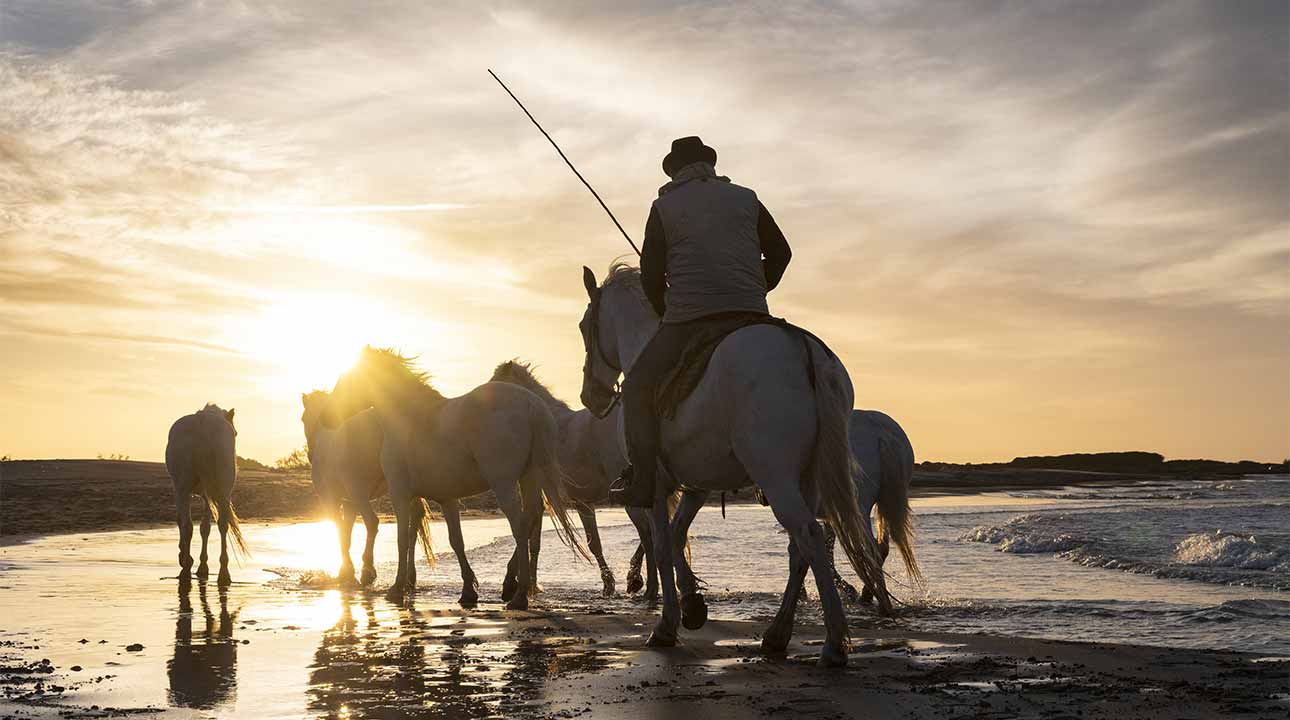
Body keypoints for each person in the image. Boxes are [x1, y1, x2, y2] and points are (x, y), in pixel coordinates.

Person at [608, 136, 792, 508]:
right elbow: (781, 252)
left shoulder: (664, 206)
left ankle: (643, 480)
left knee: (637, 387)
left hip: (691, 319)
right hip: (752, 314)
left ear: (674, 170)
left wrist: (667, 310)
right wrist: (757, 287)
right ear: (709, 165)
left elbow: (651, 275)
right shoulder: (747, 198)